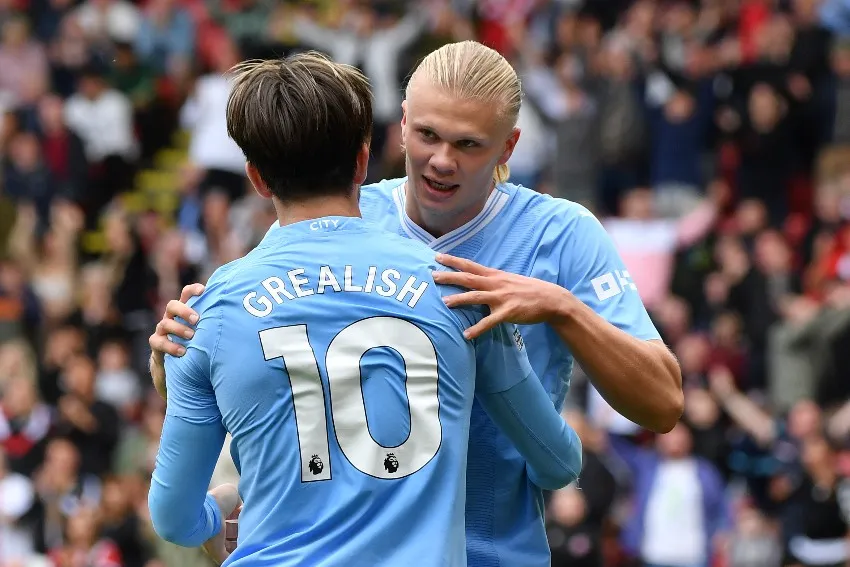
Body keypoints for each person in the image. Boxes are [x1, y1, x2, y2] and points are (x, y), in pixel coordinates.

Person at [150, 41, 683, 566]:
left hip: (492, 551)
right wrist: (178, 360)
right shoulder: (349, 214)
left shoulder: (561, 235)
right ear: (400, 124)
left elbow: (662, 404)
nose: (442, 161)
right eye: (428, 135)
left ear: (509, 147)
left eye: (469, 144)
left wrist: (563, 308)